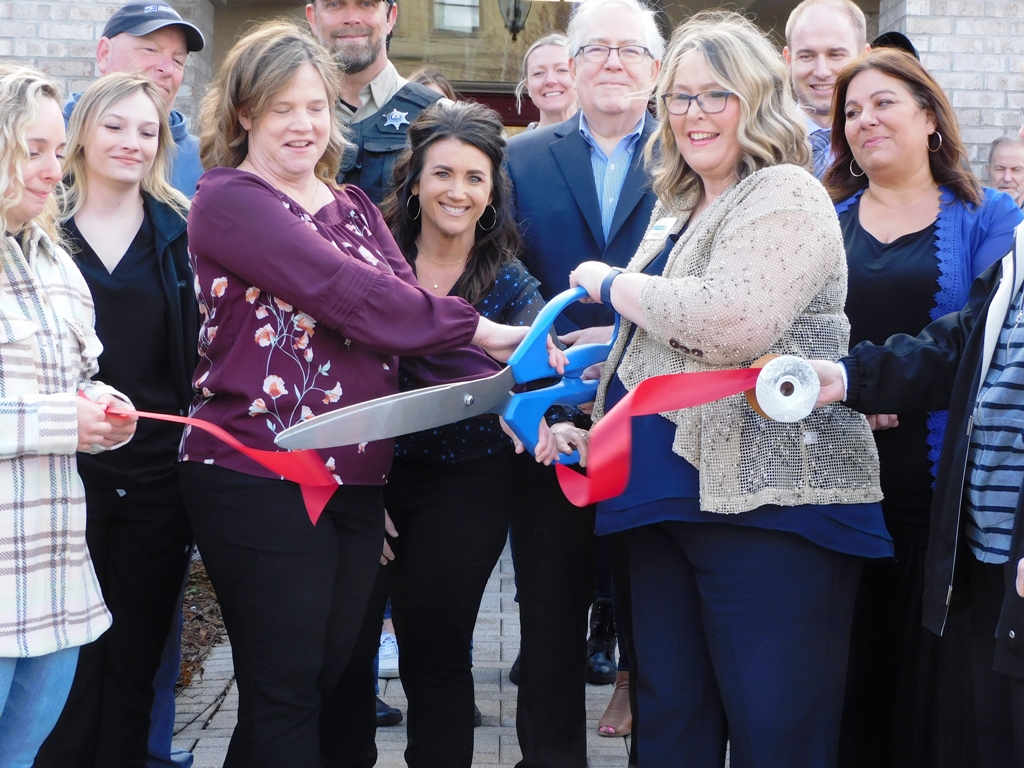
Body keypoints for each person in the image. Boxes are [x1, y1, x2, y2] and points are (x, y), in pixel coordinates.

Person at [179, 20, 560, 768]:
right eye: (282, 107)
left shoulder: (352, 205)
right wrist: (486, 331)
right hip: (260, 471)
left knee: (326, 681)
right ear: (245, 112)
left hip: (356, 477)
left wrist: (515, 395)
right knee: (286, 692)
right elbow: (349, 297)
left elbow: (409, 326)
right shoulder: (229, 200)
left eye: (315, 106)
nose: (302, 124)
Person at [567, 12, 893, 766]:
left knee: (774, 735)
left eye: (717, 94)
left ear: (759, 99)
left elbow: (733, 320)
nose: (695, 113)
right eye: (680, 97)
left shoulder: (785, 192)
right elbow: (668, 330)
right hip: (660, 500)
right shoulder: (678, 206)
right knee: (670, 730)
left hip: (768, 509)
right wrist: (591, 355)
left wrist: (608, 282)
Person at [325, 99, 581, 768]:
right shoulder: (370, 262)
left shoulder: (510, 282)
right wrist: (359, 492)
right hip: (364, 473)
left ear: (492, 193)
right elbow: (335, 371)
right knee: (344, 651)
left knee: (435, 649)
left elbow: (536, 371)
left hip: (466, 482)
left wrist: (552, 423)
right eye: (442, 173)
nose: (456, 191)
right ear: (414, 182)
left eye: (474, 177)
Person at [822, 47, 1023, 768]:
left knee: (935, 704)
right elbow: (790, 333)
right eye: (851, 111)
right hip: (833, 486)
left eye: (884, 103)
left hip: (940, 500)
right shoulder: (820, 220)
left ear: (931, 117)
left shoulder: (991, 216)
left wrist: (868, 379)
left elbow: (977, 339)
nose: (865, 120)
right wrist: (850, 390)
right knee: (845, 689)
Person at [504, 0, 663, 762]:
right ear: (569, 66)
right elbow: (500, 273)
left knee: (660, 630)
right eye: (595, 48)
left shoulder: (690, 154)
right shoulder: (522, 158)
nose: (612, 62)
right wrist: (541, 364)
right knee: (549, 626)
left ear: (656, 70)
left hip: (659, 421)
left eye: (630, 50)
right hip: (550, 424)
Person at [31, 72, 197, 768]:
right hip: (62, 479)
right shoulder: (39, 231)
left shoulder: (181, 231)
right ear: (81, 135)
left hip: (156, 484)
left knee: (136, 662)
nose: (132, 141)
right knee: (61, 670)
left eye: (147, 130)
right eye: (115, 126)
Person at [0, 64, 136, 767]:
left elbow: (78, 381)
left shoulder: (56, 261)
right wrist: (63, 420)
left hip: (54, 576)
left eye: (59, 150)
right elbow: (53, 412)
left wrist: (106, 410)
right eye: (33, 150)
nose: (54, 170)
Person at [306, 0, 443, 206]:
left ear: (390, 17)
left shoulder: (441, 118)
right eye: (335, 4)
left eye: (366, 3)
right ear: (313, 18)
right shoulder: (280, 120)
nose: (352, 18)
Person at [66, 0, 205, 197]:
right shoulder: (47, 137)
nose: (167, 69)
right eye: (151, 50)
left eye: (178, 60)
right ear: (104, 54)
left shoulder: (204, 162)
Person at [782, 0, 869, 179]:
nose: (822, 72)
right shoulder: (760, 146)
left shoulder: (885, 143)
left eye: (835, 55)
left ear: (864, 57)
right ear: (788, 60)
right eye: (807, 56)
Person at [514, 34, 577, 131]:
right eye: (538, 73)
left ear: (579, 77)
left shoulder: (601, 138)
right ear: (528, 86)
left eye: (562, 70)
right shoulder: (518, 142)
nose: (550, 80)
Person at [987, 136, 1024, 208]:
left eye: (1016, 170)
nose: (1007, 178)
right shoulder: (972, 212)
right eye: (1000, 169)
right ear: (988, 171)